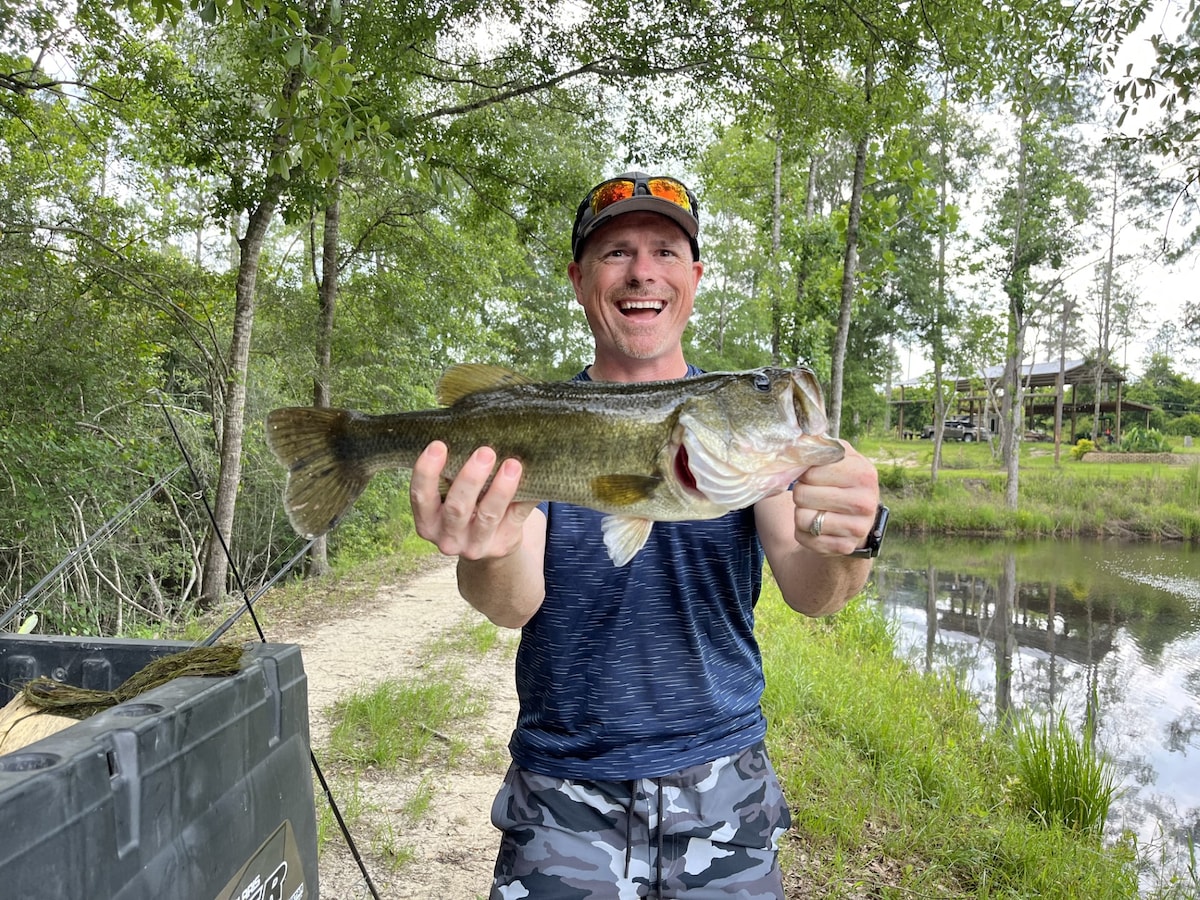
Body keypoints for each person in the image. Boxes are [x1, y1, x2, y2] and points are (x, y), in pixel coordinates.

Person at [409, 172, 882, 899]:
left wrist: (852, 539)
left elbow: (814, 593)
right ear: (579, 279)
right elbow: (510, 604)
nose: (642, 272)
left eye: (665, 250)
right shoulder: (540, 420)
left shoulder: (747, 449)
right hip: (562, 791)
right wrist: (489, 541)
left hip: (725, 784)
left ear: (694, 276)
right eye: (615, 252)